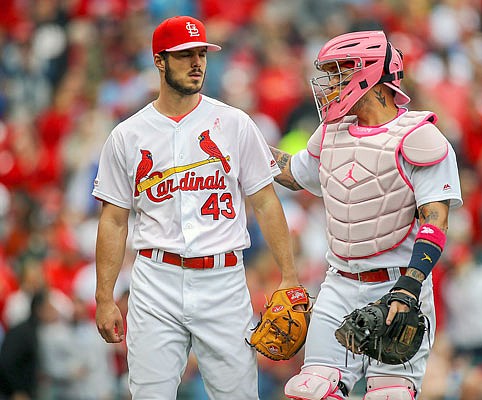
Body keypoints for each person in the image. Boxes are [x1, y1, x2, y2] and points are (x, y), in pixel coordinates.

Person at [92, 15, 301, 399]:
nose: (197, 63)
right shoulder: (128, 135)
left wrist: (288, 274)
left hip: (223, 279)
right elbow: (114, 220)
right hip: (156, 278)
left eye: (201, 53)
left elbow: (266, 202)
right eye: (184, 54)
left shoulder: (234, 123)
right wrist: (105, 297)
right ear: (159, 61)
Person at [269, 31, 462, 399]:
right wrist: (240, 142)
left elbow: (435, 223)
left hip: (398, 287)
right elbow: (293, 174)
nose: (330, 83)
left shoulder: (420, 137)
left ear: (370, 74)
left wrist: (410, 287)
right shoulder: (329, 133)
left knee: (388, 394)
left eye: (340, 72)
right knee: (310, 391)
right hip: (339, 284)